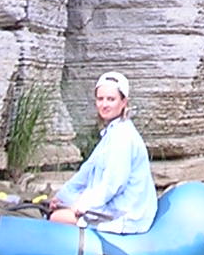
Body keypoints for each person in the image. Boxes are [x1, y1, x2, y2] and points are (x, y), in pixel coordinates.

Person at [48, 72, 156, 235]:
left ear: (123, 102)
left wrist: (84, 205)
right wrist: (63, 196)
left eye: (111, 99)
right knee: (60, 207)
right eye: (100, 99)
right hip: (114, 206)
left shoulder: (123, 136)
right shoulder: (112, 131)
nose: (104, 104)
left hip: (127, 214)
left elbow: (114, 183)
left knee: (57, 218)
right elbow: (87, 170)